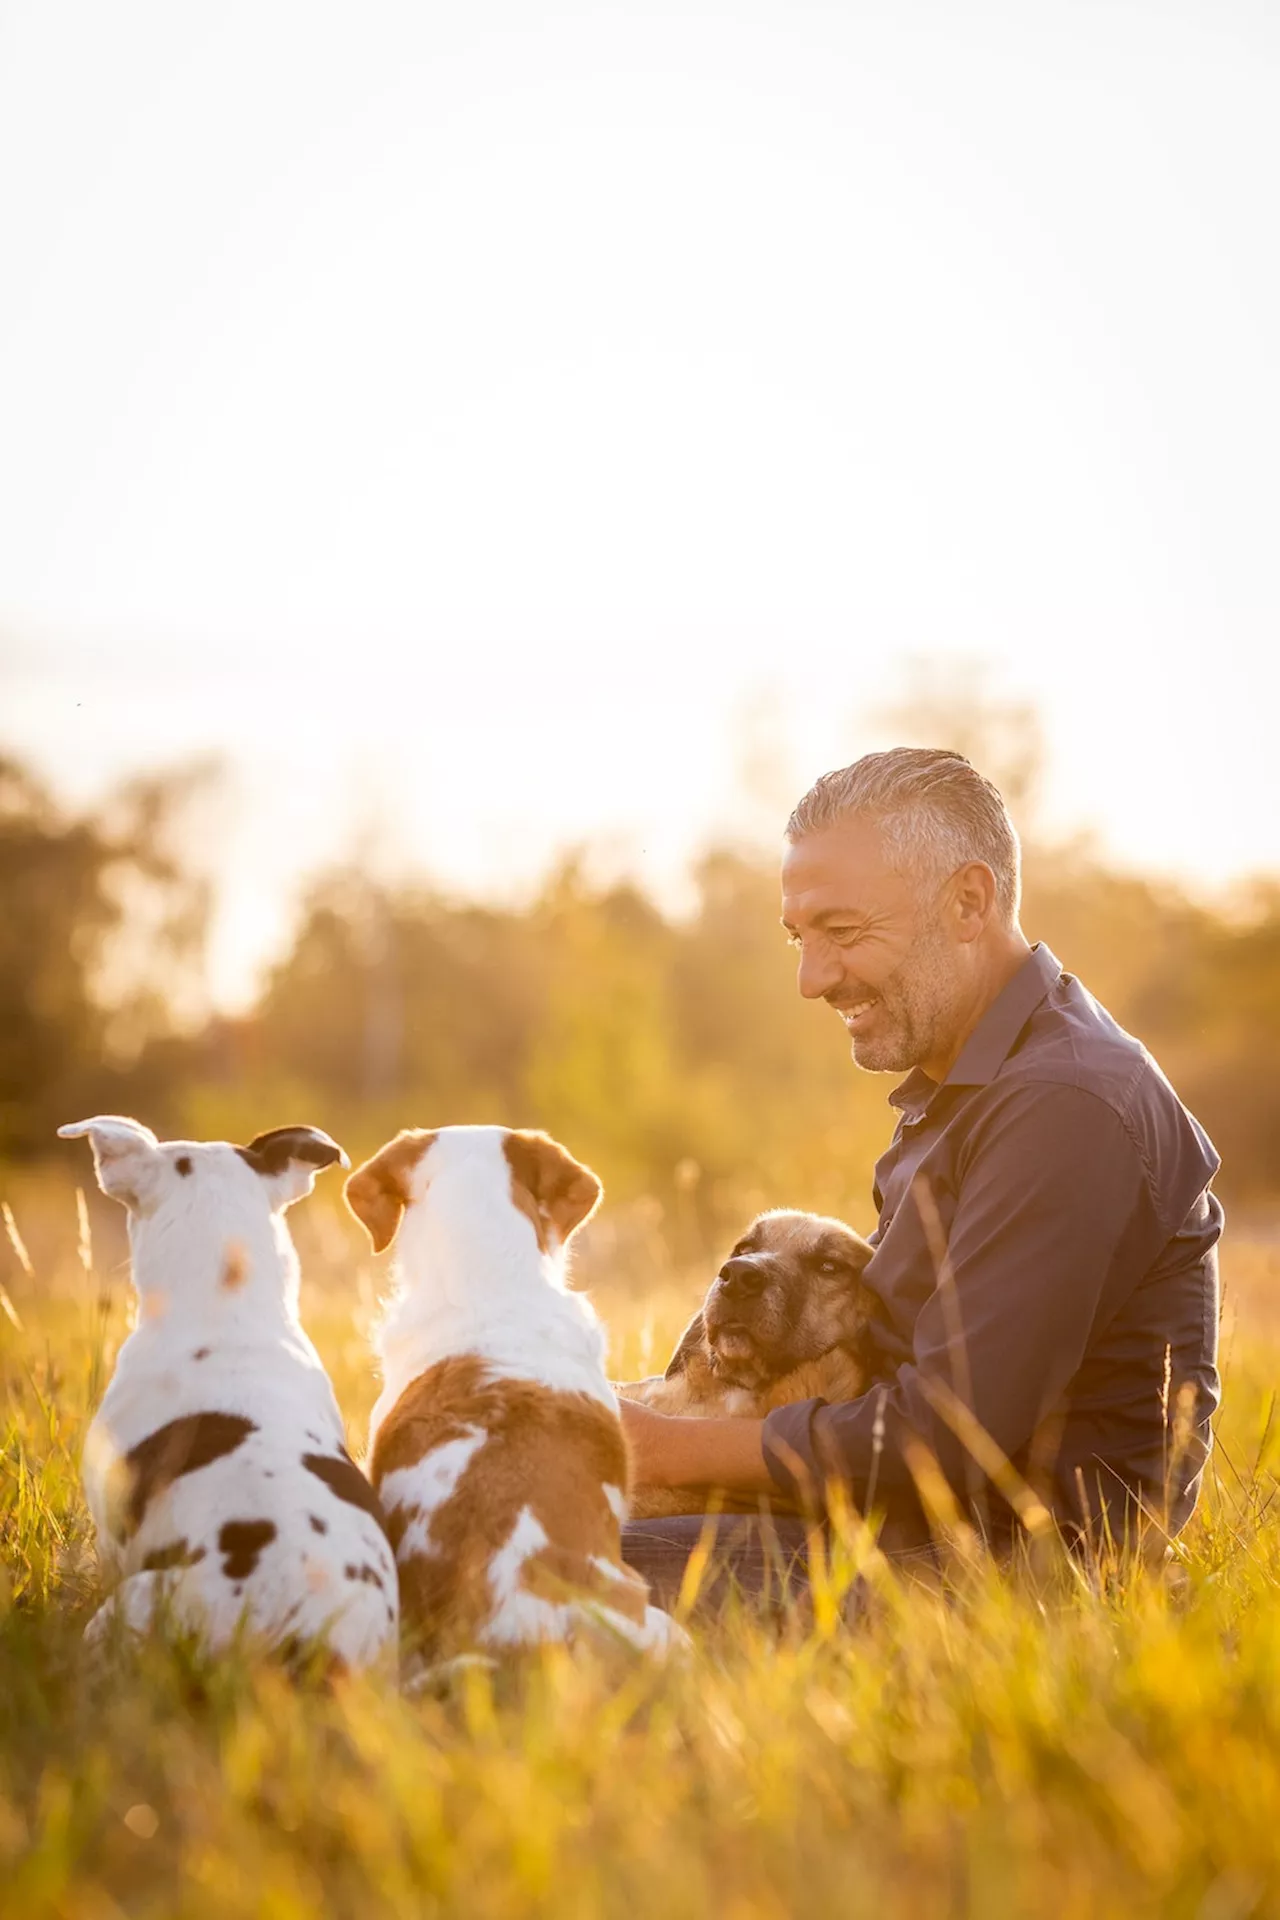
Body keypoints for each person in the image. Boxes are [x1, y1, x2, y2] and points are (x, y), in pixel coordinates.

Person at [619, 748, 1223, 1606]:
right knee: (499, 1504)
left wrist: (662, 1448)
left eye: (845, 932)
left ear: (968, 902)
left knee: (503, 1553)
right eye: (800, 938)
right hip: (895, 1533)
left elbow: (949, 1435)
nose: (811, 978)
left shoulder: (1063, 1103)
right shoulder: (974, 1093)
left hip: (1001, 1580)